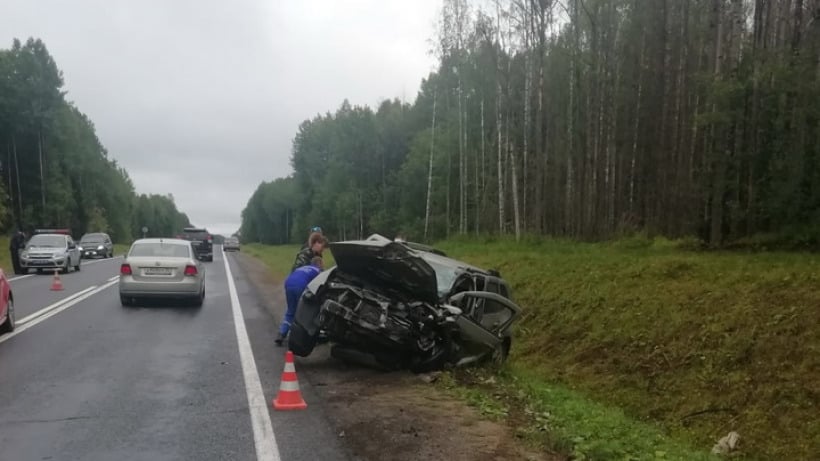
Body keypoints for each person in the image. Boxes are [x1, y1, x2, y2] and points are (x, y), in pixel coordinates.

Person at [276, 256, 323, 346]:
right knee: (307, 311)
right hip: (300, 286)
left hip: (288, 284)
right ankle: (305, 337)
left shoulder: (302, 268)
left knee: (291, 311)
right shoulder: (317, 271)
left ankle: (281, 334)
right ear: (319, 264)